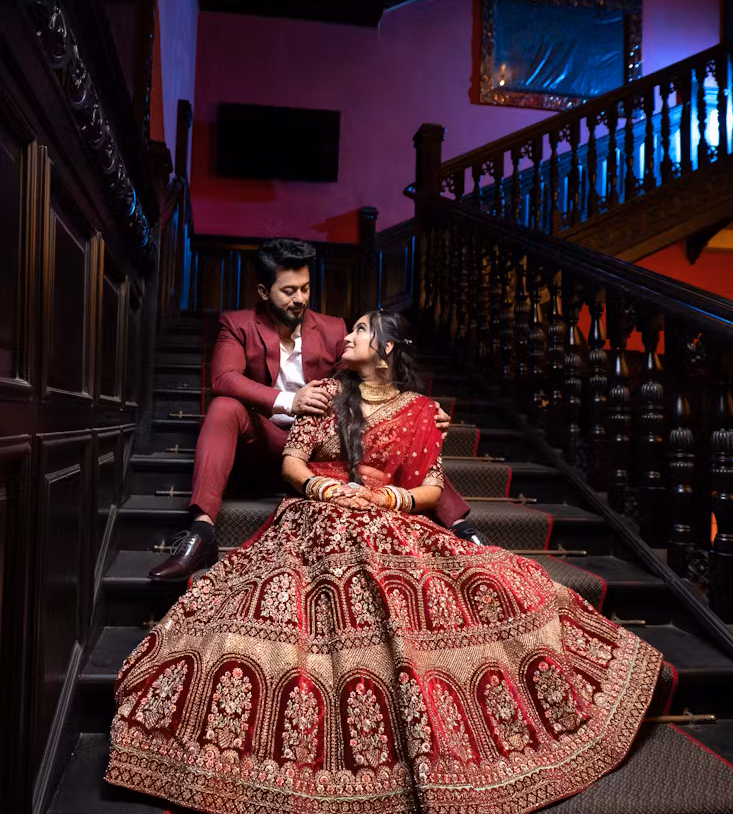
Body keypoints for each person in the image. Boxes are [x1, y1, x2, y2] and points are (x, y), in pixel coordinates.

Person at [106, 311, 664, 814]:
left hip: (387, 512)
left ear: (387, 348)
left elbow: (430, 486)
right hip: (317, 513)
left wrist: (390, 499)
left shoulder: (421, 410)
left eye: (361, 330)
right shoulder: (325, 397)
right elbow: (291, 461)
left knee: (473, 580)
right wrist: (325, 488)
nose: (346, 336)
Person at [149, 238, 483, 582]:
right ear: (264, 292)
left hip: (322, 451)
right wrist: (288, 401)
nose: (300, 299)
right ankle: (202, 533)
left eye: (306, 289)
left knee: (394, 430)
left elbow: (373, 376)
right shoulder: (238, 325)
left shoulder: (333, 328)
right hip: (266, 441)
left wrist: (423, 415)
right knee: (223, 406)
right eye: (289, 291)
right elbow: (224, 378)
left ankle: (458, 523)